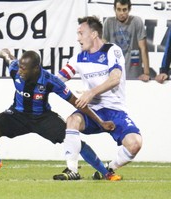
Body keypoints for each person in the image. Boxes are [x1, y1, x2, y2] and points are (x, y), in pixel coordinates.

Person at [0, 48, 121, 181]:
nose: (20, 71)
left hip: (42, 118)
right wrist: (4, 53)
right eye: (20, 67)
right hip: (17, 114)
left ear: (36, 68)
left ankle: (106, 173)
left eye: (24, 69)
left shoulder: (50, 81)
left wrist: (100, 122)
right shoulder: (15, 70)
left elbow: (77, 103)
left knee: (74, 141)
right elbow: (8, 57)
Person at [53, 16, 142, 180]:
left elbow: (115, 79)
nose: (78, 38)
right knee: (72, 120)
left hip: (115, 111)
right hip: (93, 111)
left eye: (81, 33)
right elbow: (57, 80)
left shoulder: (111, 50)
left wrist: (91, 93)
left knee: (135, 144)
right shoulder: (78, 58)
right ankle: (72, 170)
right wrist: (39, 80)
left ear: (94, 34)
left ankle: (109, 168)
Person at [103, 0, 150, 81]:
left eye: (124, 9)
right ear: (114, 9)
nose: (122, 13)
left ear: (129, 9)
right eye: (119, 9)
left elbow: (143, 48)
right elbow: (102, 47)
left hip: (133, 71)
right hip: (114, 71)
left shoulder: (137, 21)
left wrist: (146, 73)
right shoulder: (109, 22)